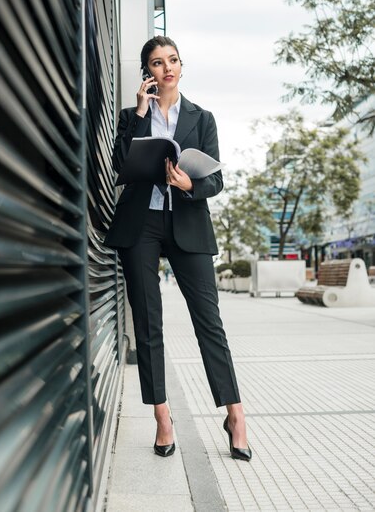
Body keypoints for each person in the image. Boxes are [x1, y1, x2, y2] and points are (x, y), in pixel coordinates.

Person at [105, 36, 252, 461]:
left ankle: (235, 414)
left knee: (209, 322)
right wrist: (137, 114)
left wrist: (191, 185)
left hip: (187, 219)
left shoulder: (201, 118)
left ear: (181, 67)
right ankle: (163, 417)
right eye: (156, 62)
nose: (166, 68)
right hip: (141, 222)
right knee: (148, 324)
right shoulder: (131, 116)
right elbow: (119, 165)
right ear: (146, 73)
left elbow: (216, 179)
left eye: (172, 61)